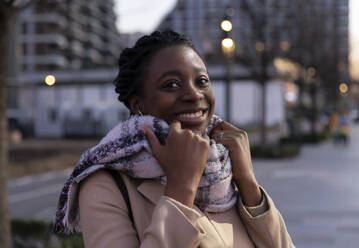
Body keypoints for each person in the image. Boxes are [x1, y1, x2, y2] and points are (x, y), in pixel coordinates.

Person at [54, 31, 295, 248]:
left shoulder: (222, 170)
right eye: (171, 85)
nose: (193, 93)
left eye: (201, 81)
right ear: (138, 105)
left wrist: (250, 186)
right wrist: (181, 188)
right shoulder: (105, 185)